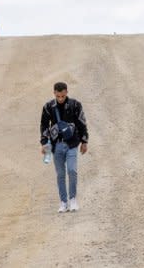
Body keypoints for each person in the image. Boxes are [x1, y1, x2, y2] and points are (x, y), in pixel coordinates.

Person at [39, 82, 89, 213]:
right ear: (54, 93)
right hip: (56, 146)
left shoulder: (75, 105)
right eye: (58, 96)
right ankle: (63, 202)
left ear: (66, 92)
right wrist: (44, 142)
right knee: (60, 174)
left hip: (72, 144)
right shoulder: (48, 107)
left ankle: (73, 199)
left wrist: (84, 141)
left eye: (62, 95)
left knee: (72, 170)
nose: (60, 98)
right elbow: (44, 125)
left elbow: (82, 123)